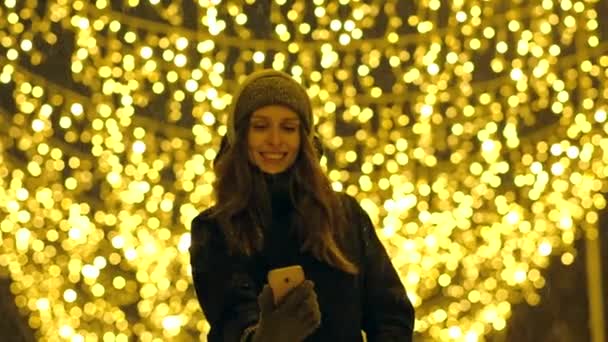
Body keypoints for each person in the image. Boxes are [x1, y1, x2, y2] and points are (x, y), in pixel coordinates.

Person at [189, 69, 415, 341]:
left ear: (304, 137)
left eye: (288, 127)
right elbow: (230, 319)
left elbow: (391, 314)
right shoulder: (215, 228)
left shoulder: (343, 216)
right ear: (241, 134)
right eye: (260, 126)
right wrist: (264, 337)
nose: (274, 140)